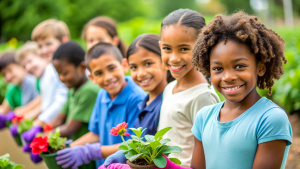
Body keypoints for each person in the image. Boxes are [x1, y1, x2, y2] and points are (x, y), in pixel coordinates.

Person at [189, 11, 293, 169]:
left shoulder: (270, 119)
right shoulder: (204, 118)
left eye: (239, 66)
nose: (228, 77)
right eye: (218, 68)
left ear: (260, 68)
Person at [55, 42, 146, 168]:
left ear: (124, 65)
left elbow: (136, 145)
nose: (107, 77)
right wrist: (70, 148)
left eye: (112, 68)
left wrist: (90, 152)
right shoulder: (103, 94)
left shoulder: (137, 99)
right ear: (92, 78)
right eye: (99, 73)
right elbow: (96, 134)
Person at [157, 9, 220, 167]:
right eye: (167, 49)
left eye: (184, 49)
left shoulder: (203, 96)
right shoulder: (169, 88)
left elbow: (211, 150)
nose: (174, 58)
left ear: (202, 47)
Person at [103, 33, 172, 165]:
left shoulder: (167, 103)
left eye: (148, 64)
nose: (140, 73)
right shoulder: (144, 102)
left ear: (164, 62)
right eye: (134, 67)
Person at [45, 41, 99, 169]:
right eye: (58, 73)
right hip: (75, 149)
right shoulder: (73, 88)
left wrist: (45, 140)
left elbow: (70, 129)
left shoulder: (89, 90)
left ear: (81, 67)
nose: (61, 78)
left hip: (85, 154)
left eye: (64, 73)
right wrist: (42, 130)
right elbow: (59, 119)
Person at [15, 41, 67, 141]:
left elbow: (60, 101)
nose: (28, 68)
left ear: (41, 56)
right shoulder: (40, 78)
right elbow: (45, 102)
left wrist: (40, 122)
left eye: (30, 62)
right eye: (24, 66)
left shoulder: (51, 72)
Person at [0, 51, 38, 129]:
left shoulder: (32, 80)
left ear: (20, 65)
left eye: (10, 70)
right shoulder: (13, 88)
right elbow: (4, 109)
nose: (8, 76)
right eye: (4, 74)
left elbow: (43, 98)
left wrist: (22, 110)